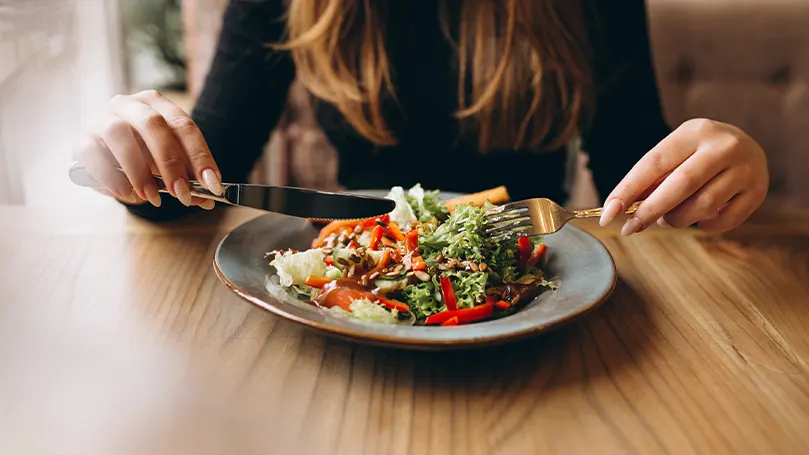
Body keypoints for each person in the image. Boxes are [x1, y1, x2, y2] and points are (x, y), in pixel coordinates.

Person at [76, 0, 768, 235]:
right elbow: (203, 178)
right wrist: (140, 152)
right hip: (345, 292)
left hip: (535, 285)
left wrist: (718, 171)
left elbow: (637, 189)